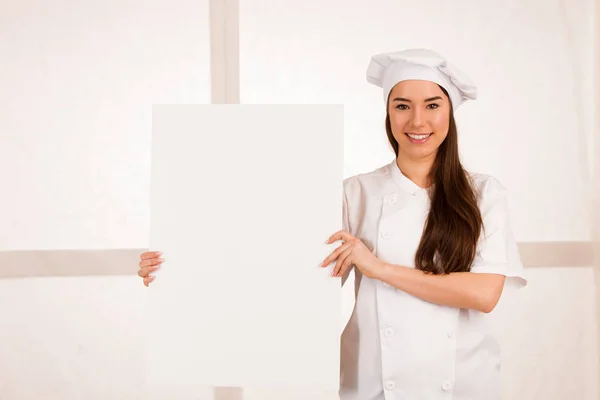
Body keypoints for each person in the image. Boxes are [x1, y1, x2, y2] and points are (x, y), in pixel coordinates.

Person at [138, 48, 527, 400]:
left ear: (450, 113)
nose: (417, 121)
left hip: (465, 384)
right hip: (373, 384)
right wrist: (179, 271)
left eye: (432, 105)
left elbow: (483, 294)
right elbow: (288, 278)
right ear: (388, 112)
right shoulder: (353, 193)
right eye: (402, 106)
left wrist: (377, 268)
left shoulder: (483, 193)